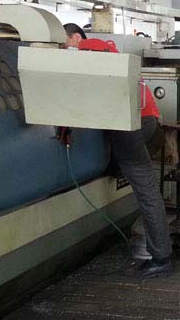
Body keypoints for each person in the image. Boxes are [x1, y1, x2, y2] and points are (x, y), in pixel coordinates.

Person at [63, 25, 173, 279]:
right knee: (147, 188)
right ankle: (162, 253)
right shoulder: (110, 51)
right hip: (147, 119)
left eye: (63, 42)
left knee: (147, 192)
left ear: (76, 38)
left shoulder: (86, 51)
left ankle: (161, 258)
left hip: (129, 124)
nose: (62, 47)